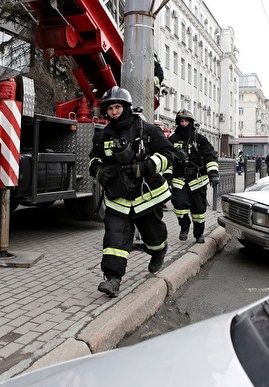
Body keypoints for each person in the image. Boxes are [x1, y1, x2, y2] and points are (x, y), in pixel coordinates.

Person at [89, 86, 174, 297]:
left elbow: (168, 154)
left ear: (126, 107)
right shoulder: (102, 136)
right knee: (114, 238)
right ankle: (113, 279)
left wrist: (145, 167)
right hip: (118, 198)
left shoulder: (146, 130)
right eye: (110, 108)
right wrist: (99, 171)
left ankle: (158, 251)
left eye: (118, 107)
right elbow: (93, 159)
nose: (114, 112)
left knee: (153, 236)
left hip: (146, 196)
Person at [166, 109, 219, 244]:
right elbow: (168, 159)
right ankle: (184, 226)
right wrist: (167, 176)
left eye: (186, 121)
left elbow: (210, 156)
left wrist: (213, 174)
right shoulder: (173, 139)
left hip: (197, 180)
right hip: (179, 179)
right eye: (181, 121)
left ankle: (198, 234)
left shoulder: (199, 139)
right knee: (178, 205)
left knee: (198, 211)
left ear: (191, 122)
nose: (184, 124)